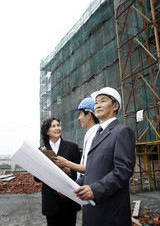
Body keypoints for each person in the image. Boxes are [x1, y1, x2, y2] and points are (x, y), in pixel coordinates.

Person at [75, 87, 135, 226]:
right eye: (96, 103)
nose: (98, 105)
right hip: (93, 209)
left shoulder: (122, 131)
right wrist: (71, 186)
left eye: (103, 101)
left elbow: (123, 170)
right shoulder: (98, 134)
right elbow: (93, 171)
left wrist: (94, 189)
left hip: (110, 212)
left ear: (115, 106)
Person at [34, 117, 81, 226]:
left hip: (69, 198)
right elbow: (36, 178)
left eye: (58, 125)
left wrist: (69, 170)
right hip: (50, 201)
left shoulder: (72, 147)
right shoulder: (41, 150)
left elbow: (80, 172)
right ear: (47, 131)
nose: (57, 128)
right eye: (53, 126)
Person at [52, 97, 99, 175]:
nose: (78, 118)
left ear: (89, 115)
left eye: (80, 113)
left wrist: (67, 163)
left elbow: (92, 168)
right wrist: (69, 170)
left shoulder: (97, 135)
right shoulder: (89, 135)